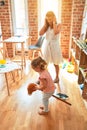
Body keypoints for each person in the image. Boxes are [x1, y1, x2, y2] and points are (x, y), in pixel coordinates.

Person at [39, 11, 63, 83]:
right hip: (47, 45)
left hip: (55, 45)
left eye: (50, 19)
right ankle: (43, 77)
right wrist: (45, 25)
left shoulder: (59, 24)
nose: (49, 21)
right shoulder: (47, 26)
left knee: (56, 63)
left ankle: (57, 77)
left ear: (54, 18)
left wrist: (54, 23)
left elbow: (55, 32)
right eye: (47, 19)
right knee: (45, 62)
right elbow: (40, 33)